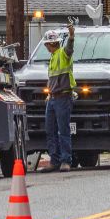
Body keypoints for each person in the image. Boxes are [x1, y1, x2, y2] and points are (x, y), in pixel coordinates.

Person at [39, 24, 76, 173]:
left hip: (63, 98)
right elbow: (53, 80)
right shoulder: (53, 57)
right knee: (51, 130)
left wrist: (72, 36)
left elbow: (69, 49)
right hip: (53, 99)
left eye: (47, 44)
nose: (46, 46)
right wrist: (49, 95)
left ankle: (65, 161)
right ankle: (54, 160)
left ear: (51, 43)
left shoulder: (62, 54)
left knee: (63, 130)